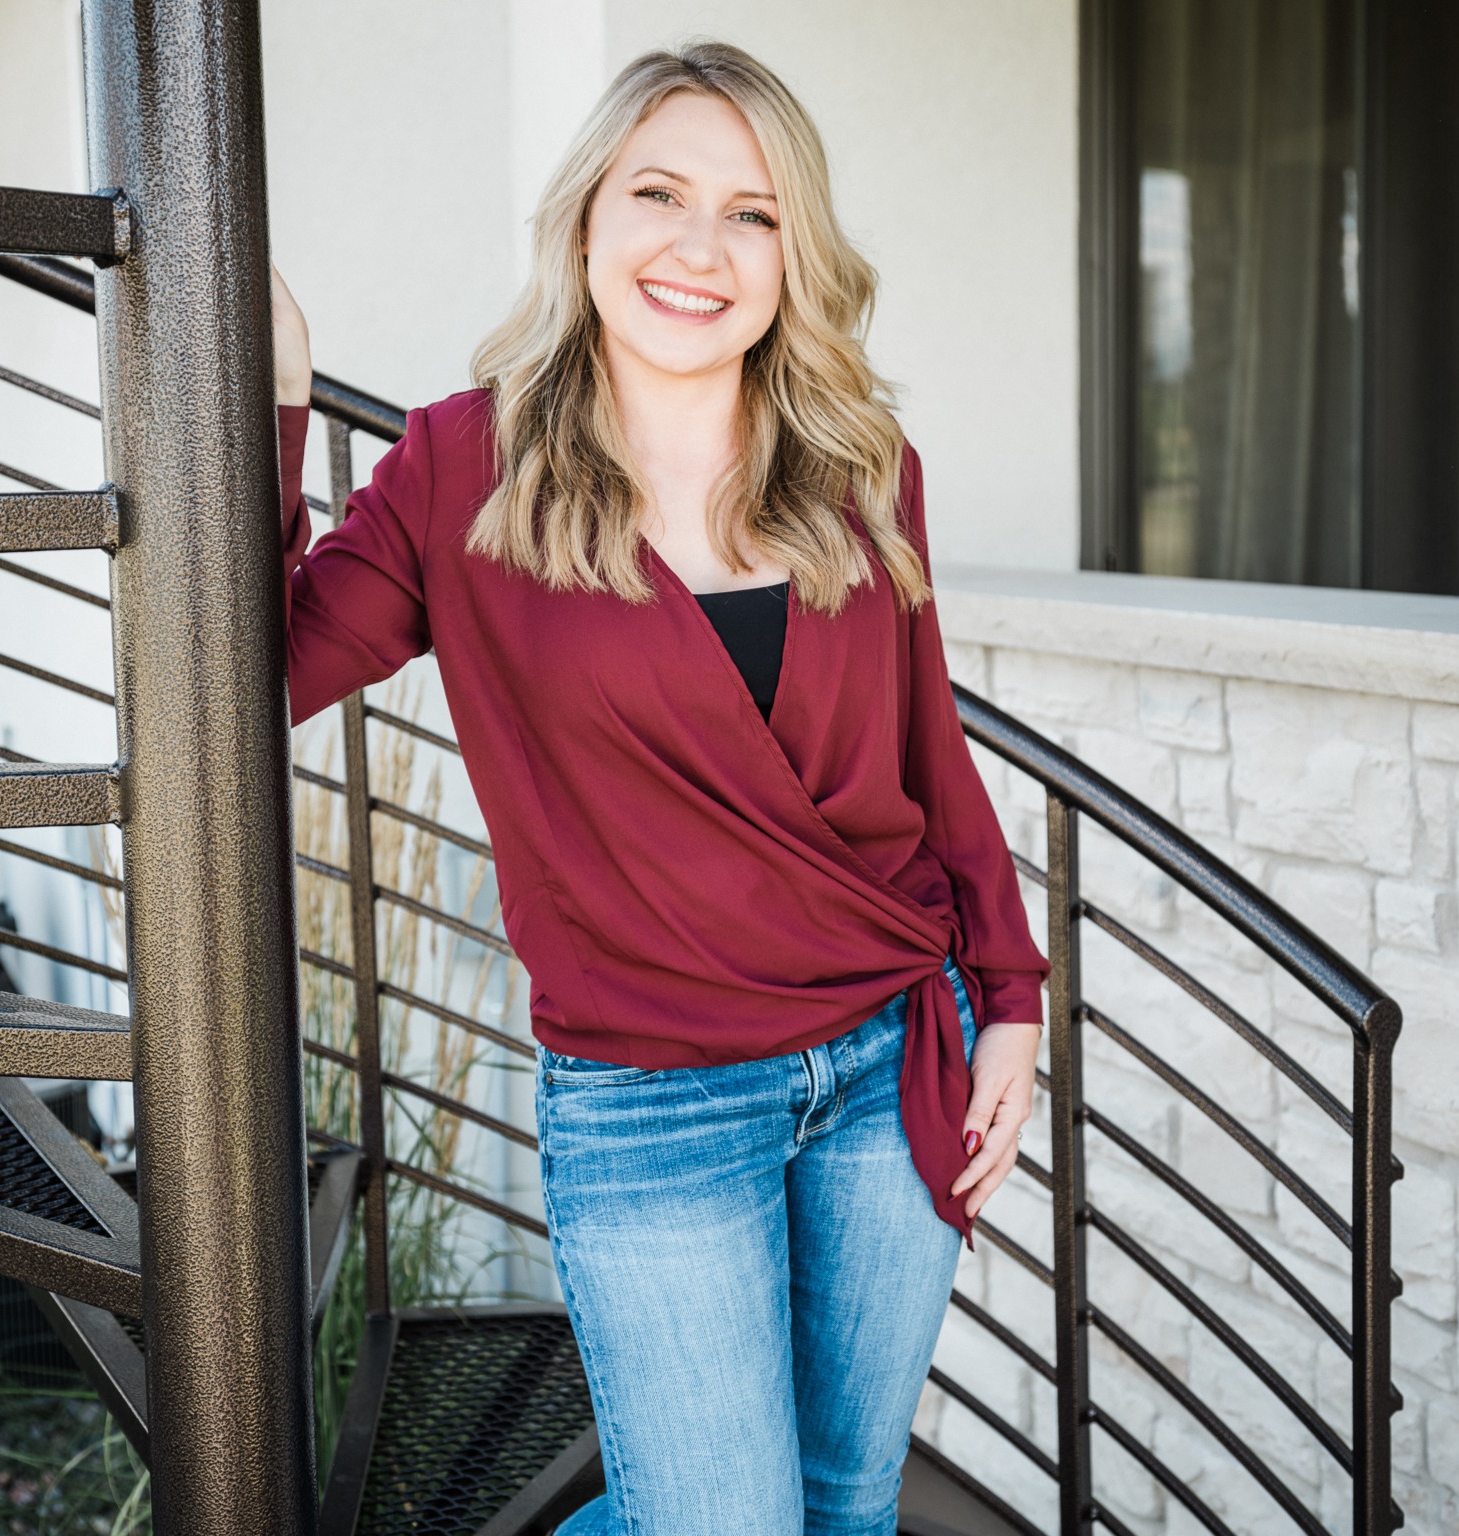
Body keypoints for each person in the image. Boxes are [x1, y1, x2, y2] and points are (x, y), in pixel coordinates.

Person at [271, 40, 1048, 1536]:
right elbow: (253, 680)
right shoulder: (461, 468)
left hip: (892, 1061)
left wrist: (1009, 997)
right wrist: (283, 404)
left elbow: (927, 752)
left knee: (841, 1503)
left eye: (754, 213)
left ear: (792, 254)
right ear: (585, 221)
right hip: (651, 1097)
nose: (703, 247)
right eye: (662, 193)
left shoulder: (863, 467)